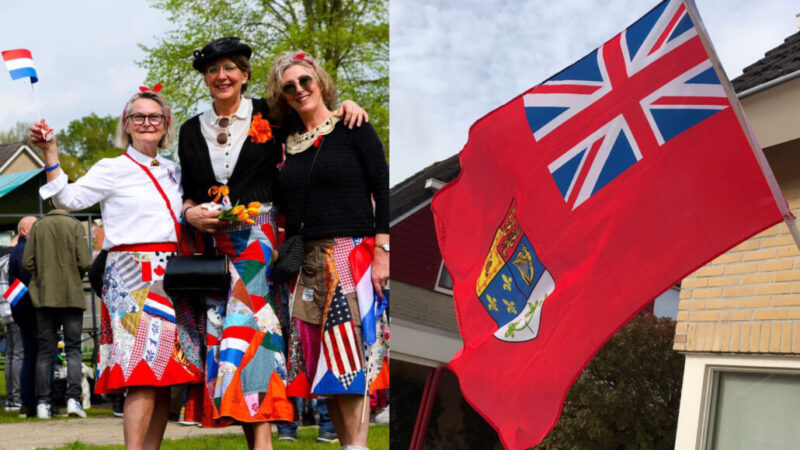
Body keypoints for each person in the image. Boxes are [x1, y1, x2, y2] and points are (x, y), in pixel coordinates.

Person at [178, 37, 368, 450]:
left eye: (230, 68)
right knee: (231, 339)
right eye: (213, 70)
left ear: (245, 76)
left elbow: (316, 118)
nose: (221, 76)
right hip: (215, 249)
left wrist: (346, 106)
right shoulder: (190, 130)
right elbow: (190, 193)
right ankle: (259, 442)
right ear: (206, 81)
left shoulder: (272, 115)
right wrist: (190, 212)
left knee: (251, 332)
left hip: (263, 244)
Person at [31, 88, 203, 447]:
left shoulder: (175, 171)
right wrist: (51, 153)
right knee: (142, 374)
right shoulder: (112, 168)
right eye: (138, 117)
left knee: (164, 376)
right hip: (130, 274)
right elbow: (68, 198)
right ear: (126, 125)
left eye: (154, 117)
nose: (146, 123)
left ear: (165, 124)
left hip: (172, 275)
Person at [270, 50, 390, 450]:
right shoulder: (284, 145)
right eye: (289, 87)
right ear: (282, 96)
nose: (299, 90)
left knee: (350, 357)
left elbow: (381, 190)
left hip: (349, 255)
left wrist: (383, 251)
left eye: (305, 81)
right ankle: (348, 445)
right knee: (326, 362)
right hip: (306, 263)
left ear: (320, 81)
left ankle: (358, 446)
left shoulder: (352, 125)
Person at [22, 207, 92, 418]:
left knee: (45, 351)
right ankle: (73, 400)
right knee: (73, 349)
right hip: (71, 295)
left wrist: (42, 275)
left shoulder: (38, 226)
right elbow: (85, 262)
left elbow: (27, 262)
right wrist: (74, 274)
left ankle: (43, 403)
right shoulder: (75, 225)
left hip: (44, 296)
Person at [8, 216, 38, 418]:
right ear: (25, 231)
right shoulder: (26, 251)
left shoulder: (14, 252)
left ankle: (21, 401)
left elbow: (13, 284)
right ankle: (34, 400)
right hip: (32, 310)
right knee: (34, 355)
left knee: (19, 355)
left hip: (19, 308)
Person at [1, 234, 23, 412]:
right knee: (18, 354)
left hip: (4, 310)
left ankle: (10, 398)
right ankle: (16, 398)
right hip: (14, 308)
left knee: (10, 355)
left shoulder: (1, 257)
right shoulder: (12, 258)